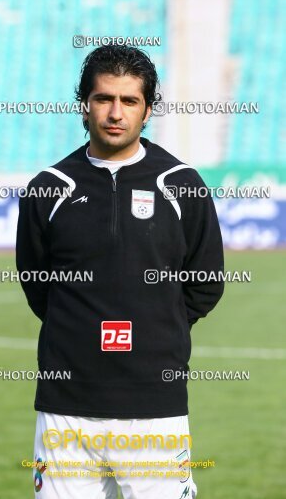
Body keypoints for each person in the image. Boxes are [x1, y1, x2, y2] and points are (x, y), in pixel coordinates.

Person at [16, 45, 224, 499]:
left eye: (129, 101)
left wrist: (155, 324)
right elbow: (37, 285)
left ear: (148, 110)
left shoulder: (181, 184)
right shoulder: (49, 188)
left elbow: (205, 284)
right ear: (84, 104)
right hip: (66, 408)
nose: (115, 113)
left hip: (154, 405)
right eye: (103, 98)